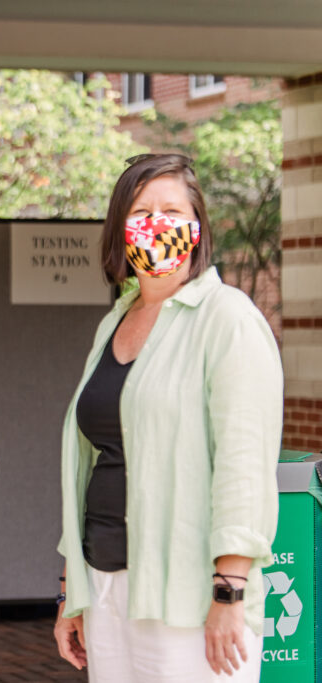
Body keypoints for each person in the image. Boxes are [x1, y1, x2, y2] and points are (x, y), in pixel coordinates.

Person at [53, 154, 282, 682]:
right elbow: (92, 464)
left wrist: (230, 590)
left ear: (197, 228)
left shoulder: (228, 319)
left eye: (172, 210)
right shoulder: (115, 322)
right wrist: (72, 590)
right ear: (119, 229)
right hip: (106, 586)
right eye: (141, 210)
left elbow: (243, 466)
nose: (157, 223)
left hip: (190, 594)